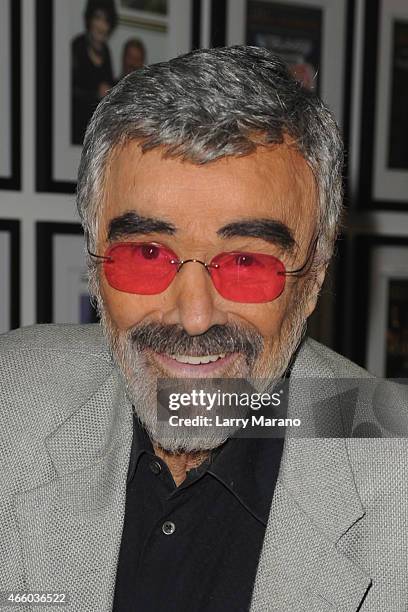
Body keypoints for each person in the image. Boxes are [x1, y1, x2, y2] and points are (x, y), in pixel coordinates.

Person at [1, 46, 408, 612]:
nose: (194, 316)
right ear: (94, 261)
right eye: (147, 253)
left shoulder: (398, 480)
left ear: (313, 278)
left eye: (246, 262)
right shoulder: (12, 395)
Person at [71, 0, 117, 145]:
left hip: (95, 129)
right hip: (75, 129)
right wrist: (94, 93)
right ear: (89, 20)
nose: (102, 26)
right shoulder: (77, 47)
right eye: (98, 18)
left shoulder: (107, 52)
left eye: (106, 21)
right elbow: (67, 91)